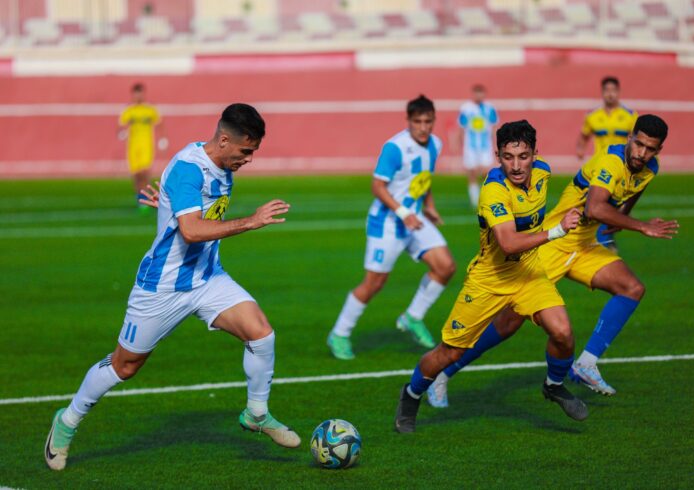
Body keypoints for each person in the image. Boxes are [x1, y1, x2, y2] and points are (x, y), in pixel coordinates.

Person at [45, 104, 301, 472]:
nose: (248, 160)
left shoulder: (219, 163)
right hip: (162, 287)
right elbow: (192, 230)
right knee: (125, 365)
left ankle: (256, 414)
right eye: (246, 151)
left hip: (207, 277)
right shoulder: (188, 169)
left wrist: (168, 201)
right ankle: (67, 421)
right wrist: (252, 221)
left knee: (261, 333)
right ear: (225, 139)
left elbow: (199, 211)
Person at [427, 115, 678, 407]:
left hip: (584, 246)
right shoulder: (610, 162)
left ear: (658, 150)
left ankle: (585, 363)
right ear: (630, 137)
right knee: (507, 324)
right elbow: (596, 208)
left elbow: (632, 193)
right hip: (554, 245)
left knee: (632, 288)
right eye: (638, 144)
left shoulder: (650, 168)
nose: (641, 154)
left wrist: (618, 222)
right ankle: (444, 372)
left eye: (650, 149)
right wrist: (641, 225)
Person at [395, 120, 587, 433]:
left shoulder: (544, 173)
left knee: (563, 333)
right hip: (489, 280)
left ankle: (553, 386)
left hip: (528, 273)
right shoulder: (493, 191)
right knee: (450, 352)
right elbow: (509, 242)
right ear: (498, 156)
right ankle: (411, 393)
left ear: (535, 154)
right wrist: (557, 230)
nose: (516, 165)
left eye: (523, 156)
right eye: (508, 157)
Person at [327, 95, 456, 360]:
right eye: (417, 121)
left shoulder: (436, 144)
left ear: (433, 121)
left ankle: (412, 317)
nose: (423, 127)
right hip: (386, 223)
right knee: (374, 283)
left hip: (415, 218)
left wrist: (429, 205)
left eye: (428, 121)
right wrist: (402, 212)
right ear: (408, 121)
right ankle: (339, 333)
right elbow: (377, 186)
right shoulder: (395, 148)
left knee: (446, 267)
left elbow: (424, 178)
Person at [576, 76, 639, 249]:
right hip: (600, 167)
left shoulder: (630, 116)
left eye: (613, 91)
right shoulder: (593, 116)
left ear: (618, 92)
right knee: (597, 206)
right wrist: (580, 149)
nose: (610, 94)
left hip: (622, 169)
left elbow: (638, 141)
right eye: (607, 91)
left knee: (608, 207)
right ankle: (602, 242)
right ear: (602, 92)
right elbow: (584, 136)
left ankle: (603, 241)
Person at [119, 83, 164, 215]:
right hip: (133, 147)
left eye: (140, 93)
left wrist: (163, 139)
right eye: (136, 93)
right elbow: (122, 126)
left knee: (145, 173)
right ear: (133, 94)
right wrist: (122, 132)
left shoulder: (150, 110)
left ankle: (146, 199)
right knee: (136, 175)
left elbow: (160, 124)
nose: (138, 96)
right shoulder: (129, 110)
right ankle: (140, 199)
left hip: (146, 146)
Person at [451, 84, 498, 208]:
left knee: (486, 172)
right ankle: (474, 200)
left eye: (481, 93)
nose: (479, 95)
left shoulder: (489, 108)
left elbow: (494, 126)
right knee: (472, 172)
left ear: (484, 94)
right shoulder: (466, 108)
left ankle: (487, 196)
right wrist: (458, 142)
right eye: (476, 93)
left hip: (485, 146)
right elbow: (461, 127)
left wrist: (497, 143)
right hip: (470, 146)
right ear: (473, 94)